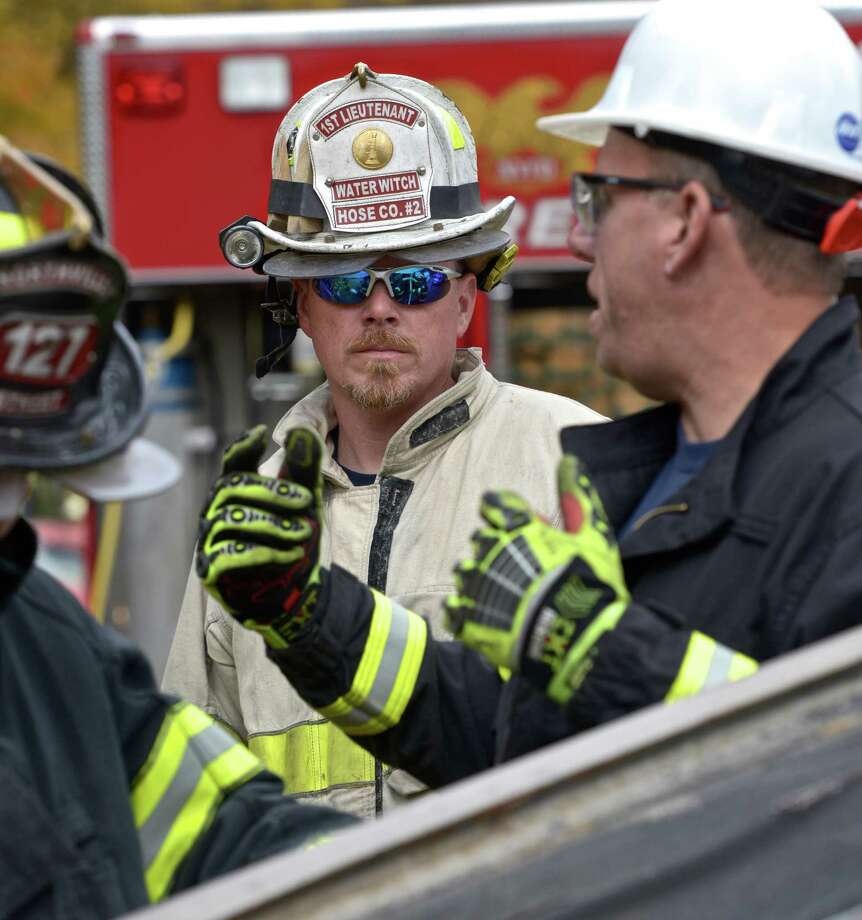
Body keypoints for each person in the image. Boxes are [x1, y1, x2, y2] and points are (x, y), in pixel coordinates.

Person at [192, 0, 862, 789]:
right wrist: (310, 616)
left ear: (683, 221)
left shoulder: (839, 483)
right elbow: (518, 753)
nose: (577, 238)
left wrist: (608, 656)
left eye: (598, 200)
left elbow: (827, 799)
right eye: (344, 282)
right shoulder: (665, 476)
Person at [163, 62, 602, 816]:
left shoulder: (574, 458)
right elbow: (192, 790)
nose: (378, 308)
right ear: (302, 307)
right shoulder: (256, 519)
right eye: (342, 281)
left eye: (415, 281)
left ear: (464, 299)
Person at [0, 140, 355, 919]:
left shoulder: (44, 638)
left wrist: (421, 877)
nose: (12, 515)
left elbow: (219, 833)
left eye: (20, 479)